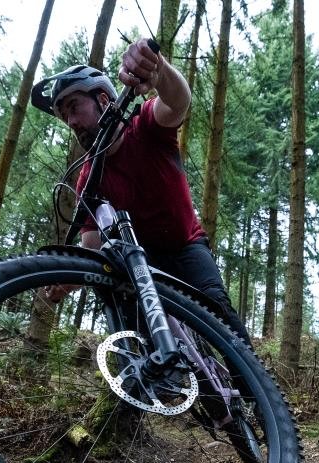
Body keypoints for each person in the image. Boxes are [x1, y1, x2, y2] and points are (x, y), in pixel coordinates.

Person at [31, 39, 253, 346]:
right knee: (154, 338)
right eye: (65, 118)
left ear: (105, 99)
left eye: (74, 107)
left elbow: (177, 102)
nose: (71, 121)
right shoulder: (88, 178)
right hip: (144, 264)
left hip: (186, 246)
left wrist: (158, 70)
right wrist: (67, 282)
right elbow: (92, 244)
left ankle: (258, 394)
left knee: (217, 312)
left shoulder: (145, 124)